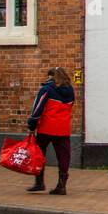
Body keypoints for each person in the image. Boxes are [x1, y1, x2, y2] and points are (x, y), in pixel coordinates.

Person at [26, 67, 75, 196]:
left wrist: (32, 125)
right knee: (64, 157)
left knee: (39, 155)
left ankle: (39, 183)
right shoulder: (70, 91)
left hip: (46, 128)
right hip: (63, 129)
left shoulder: (46, 89)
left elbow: (37, 109)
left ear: (51, 77)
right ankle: (61, 186)